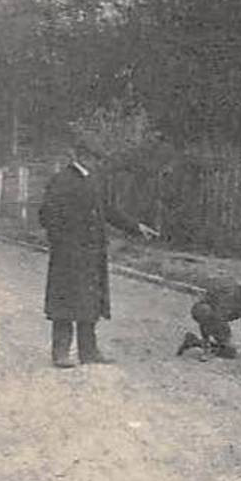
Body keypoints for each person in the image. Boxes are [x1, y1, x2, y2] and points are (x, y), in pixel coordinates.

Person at [38, 144, 156, 368]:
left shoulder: (94, 180)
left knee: (90, 301)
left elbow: (108, 210)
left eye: (98, 158)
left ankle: (89, 352)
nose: (97, 162)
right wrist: (62, 243)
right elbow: (46, 215)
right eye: (93, 157)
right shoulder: (62, 180)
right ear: (80, 156)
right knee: (64, 302)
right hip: (69, 255)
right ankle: (60, 353)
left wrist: (135, 226)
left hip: (92, 254)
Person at [177, 280, 241, 360]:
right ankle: (207, 347)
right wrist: (217, 338)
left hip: (217, 318)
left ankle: (193, 341)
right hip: (203, 310)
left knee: (230, 353)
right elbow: (211, 317)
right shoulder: (231, 293)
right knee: (209, 316)